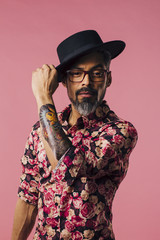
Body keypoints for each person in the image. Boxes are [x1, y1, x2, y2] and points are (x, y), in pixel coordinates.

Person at [12, 30, 138, 240]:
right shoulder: (39, 131)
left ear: (108, 79)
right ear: (64, 81)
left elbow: (69, 166)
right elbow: (28, 198)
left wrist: (43, 96)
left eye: (97, 73)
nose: (86, 82)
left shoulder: (120, 132)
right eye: (77, 73)